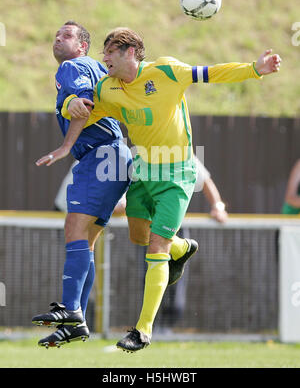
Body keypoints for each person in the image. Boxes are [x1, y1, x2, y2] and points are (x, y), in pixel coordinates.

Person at [40, 27, 281, 352]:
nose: (104, 57)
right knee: (138, 235)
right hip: (142, 172)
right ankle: (182, 248)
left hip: (176, 174)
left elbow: (211, 73)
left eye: (109, 51)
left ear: (129, 52)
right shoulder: (109, 88)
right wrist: (67, 138)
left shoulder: (166, 70)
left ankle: (142, 330)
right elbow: (88, 111)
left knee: (155, 248)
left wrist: (255, 69)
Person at [31, 22, 132, 348]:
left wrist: (64, 148)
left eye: (67, 35)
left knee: (74, 229)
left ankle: (72, 311)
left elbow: (83, 106)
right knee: (85, 241)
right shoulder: (92, 67)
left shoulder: (72, 66)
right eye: (56, 34)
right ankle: (77, 321)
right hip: (112, 156)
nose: (58, 38)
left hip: (100, 156)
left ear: (83, 46)